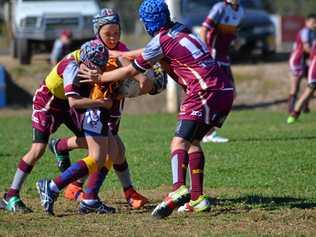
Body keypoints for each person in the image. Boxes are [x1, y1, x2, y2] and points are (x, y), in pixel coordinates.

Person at [79, 0, 234, 218]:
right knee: (193, 143)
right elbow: (149, 51)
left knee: (178, 143)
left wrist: (101, 77)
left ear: (147, 22)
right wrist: (119, 55)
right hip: (224, 89)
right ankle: (197, 199)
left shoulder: (160, 41)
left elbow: (130, 72)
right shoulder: (180, 29)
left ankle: (177, 189)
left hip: (203, 90)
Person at [48, 8, 149, 209]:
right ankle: (95, 194)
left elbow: (133, 75)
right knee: (110, 152)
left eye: (116, 33)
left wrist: (128, 88)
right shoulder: (93, 52)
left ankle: (68, 167)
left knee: (114, 152)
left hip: (113, 106)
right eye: (107, 34)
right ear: (97, 33)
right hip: (96, 107)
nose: (112, 38)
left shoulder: (122, 49)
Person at [0, 39, 111, 213]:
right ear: (87, 62)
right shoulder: (71, 68)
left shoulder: (88, 54)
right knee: (38, 149)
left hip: (66, 102)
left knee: (91, 143)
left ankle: (60, 147)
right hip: (49, 102)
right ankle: (10, 196)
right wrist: (100, 103)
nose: (101, 70)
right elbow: (74, 102)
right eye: (98, 66)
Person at [199, 0, 244, 143]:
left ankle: (206, 131)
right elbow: (204, 29)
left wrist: (236, 41)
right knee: (214, 93)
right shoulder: (220, 8)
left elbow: (233, 32)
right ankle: (208, 133)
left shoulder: (240, 11)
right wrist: (204, 52)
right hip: (213, 56)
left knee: (231, 93)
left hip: (224, 58)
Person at [288, 14, 316, 113]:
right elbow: (306, 47)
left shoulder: (313, 33)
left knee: (312, 84)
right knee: (295, 86)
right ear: (306, 22)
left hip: (305, 61)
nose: (314, 25)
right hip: (296, 60)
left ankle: (304, 106)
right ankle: (292, 109)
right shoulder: (305, 32)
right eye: (313, 22)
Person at [287, 40, 316, 124]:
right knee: (308, 91)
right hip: (314, 72)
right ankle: (294, 113)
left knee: (309, 92)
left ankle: (299, 110)